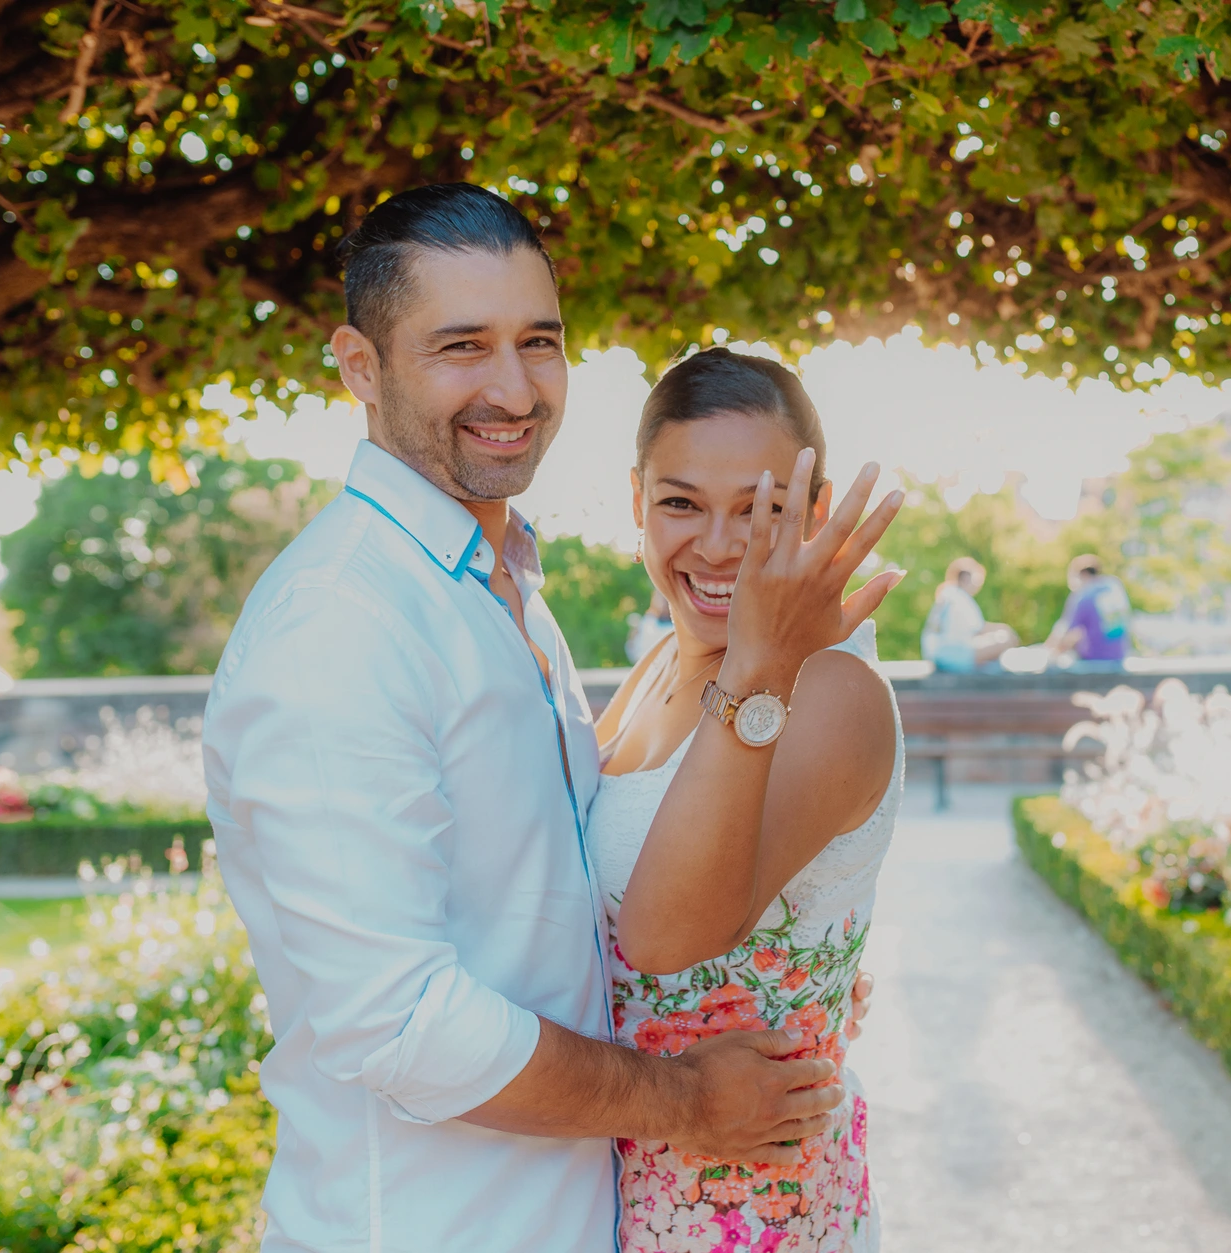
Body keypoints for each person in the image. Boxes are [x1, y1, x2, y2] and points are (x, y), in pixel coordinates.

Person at [202, 185, 880, 1252]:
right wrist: (685, 1098)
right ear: (359, 365)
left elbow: (578, 884)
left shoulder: (503, 588)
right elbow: (402, 1020)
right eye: (461, 346)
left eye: (539, 341)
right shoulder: (341, 624)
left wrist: (803, 962)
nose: (512, 388)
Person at [590, 348, 905, 1249]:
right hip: (613, 1185)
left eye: (762, 510)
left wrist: (760, 665)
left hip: (750, 1214)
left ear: (816, 509)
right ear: (637, 500)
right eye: (681, 503)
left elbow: (658, 936)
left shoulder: (830, 691)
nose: (721, 546)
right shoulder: (661, 660)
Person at [920, 556, 1017, 672]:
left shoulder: (948, 593)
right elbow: (979, 629)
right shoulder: (960, 597)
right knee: (1005, 640)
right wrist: (1005, 629)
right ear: (966, 578)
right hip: (950, 655)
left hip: (935, 653)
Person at [1046, 554, 1132, 666]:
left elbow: (1066, 635)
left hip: (1095, 662)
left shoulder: (1084, 594)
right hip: (1120, 658)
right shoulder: (1114, 586)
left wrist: (1049, 653)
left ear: (1083, 575)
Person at [623, 589, 674, 664]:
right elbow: (634, 653)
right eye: (661, 598)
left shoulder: (680, 624)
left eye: (666, 598)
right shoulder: (647, 623)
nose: (664, 602)